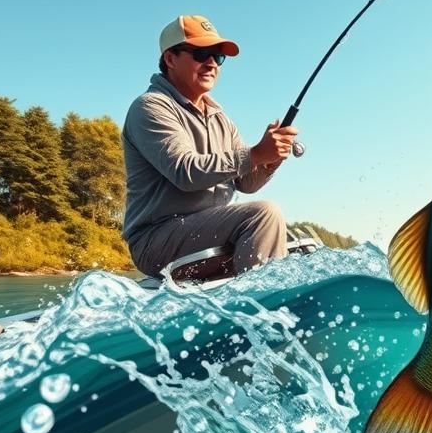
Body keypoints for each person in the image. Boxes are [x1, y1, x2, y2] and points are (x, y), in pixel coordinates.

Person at [121, 15, 299, 277]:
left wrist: (270, 161)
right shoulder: (150, 107)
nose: (212, 63)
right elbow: (186, 172)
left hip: (208, 234)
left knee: (298, 239)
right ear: (170, 59)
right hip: (155, 241)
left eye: (218, 57)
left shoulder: (221, 119)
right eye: (201, 53)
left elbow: (246, 183)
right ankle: (264, 311)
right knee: (264, 215)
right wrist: (255, 153)